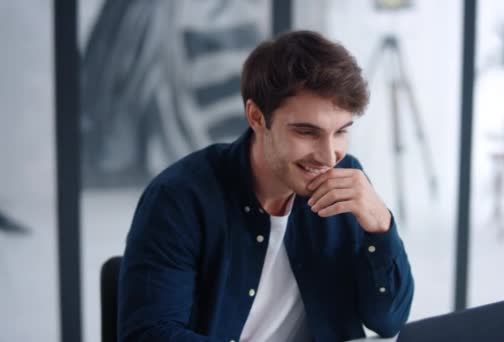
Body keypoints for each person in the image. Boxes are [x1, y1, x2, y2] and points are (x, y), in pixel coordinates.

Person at [118, 30, 414, 342]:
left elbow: (388, 320)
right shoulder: (178, 198)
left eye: (341, 132)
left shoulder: (347, 181)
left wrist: (380, 225)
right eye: (306, 132)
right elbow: (149, 335)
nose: (329, 156)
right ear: (257, 117)